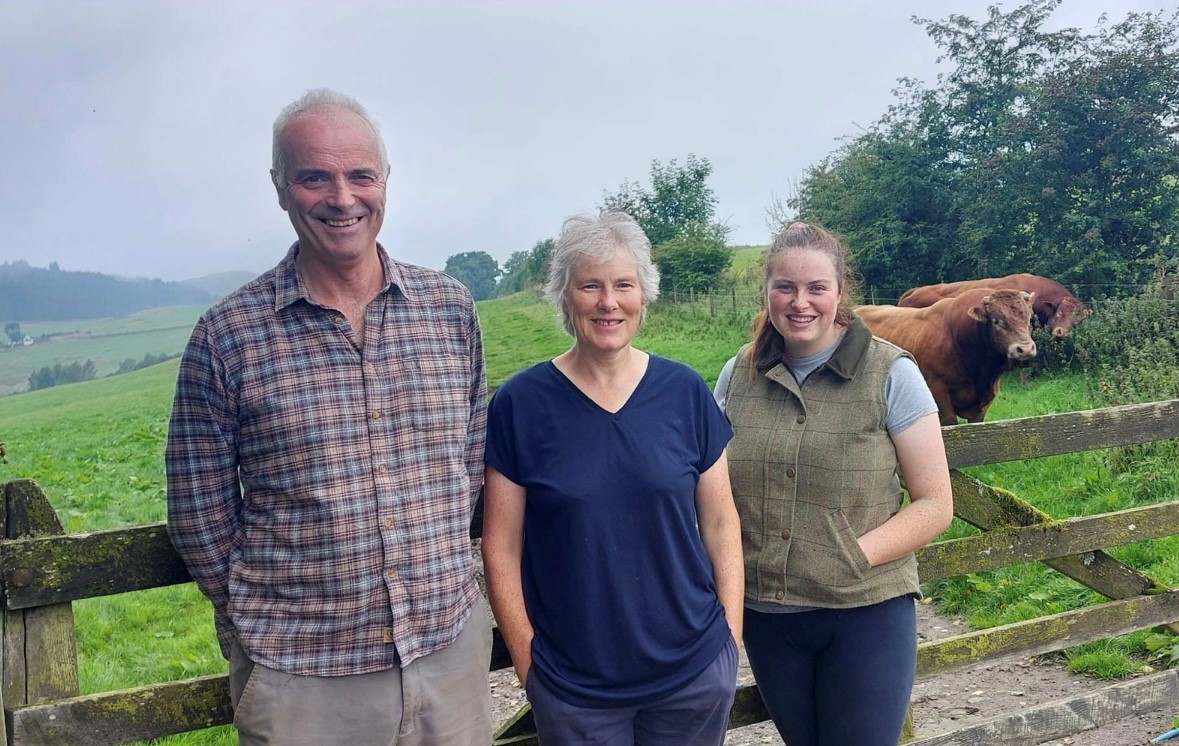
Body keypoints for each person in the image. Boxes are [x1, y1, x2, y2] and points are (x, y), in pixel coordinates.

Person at [165, 89, 492, 746]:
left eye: (360, 175)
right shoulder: (227, 335)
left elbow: (472, 460)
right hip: (302, 684)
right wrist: (251, 624)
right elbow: (199, 512)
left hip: (447, 654)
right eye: (314, 177)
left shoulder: (449, 310)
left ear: (385, 181)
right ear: (281, 189)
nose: (342, 198)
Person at [481, 212, 744, 745]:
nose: (609, 302)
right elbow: (500, 547)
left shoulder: (684, 392)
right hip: (576, 687)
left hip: (691, 673)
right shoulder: (520, 406)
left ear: (644, 294)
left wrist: (729, 643)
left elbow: (721, 522)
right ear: (564, 296)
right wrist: (531, 667)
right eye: (590, 286)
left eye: (624, 285)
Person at [715, 222, 954, 746]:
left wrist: (851, 554)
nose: (801, 303)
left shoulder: (890, 374)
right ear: (767, 292)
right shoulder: (736, 376)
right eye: (786, 287)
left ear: (841, 292)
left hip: (864, 615)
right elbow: (708, 495)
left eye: (816, 288)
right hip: (768, 618)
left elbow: (936, 504)